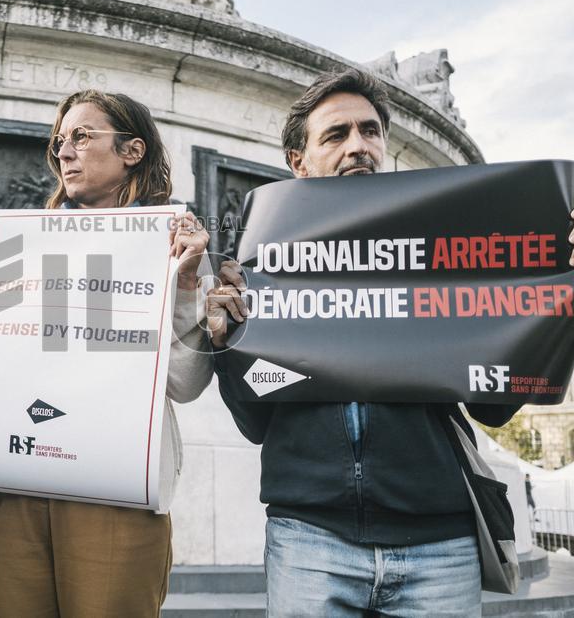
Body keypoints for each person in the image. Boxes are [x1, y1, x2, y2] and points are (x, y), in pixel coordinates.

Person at [208, 68, 521, 617]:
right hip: (310, 542)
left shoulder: (442, 261)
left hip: (439, 547)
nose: (359, 146)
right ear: (298, 161)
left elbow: (494, 406)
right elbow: (257, 422)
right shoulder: (261, 270)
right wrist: (228, 343)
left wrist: (543, 306)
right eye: (336, 135)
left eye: (370, 131)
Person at [0, 89, 213, 617]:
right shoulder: (14, 242)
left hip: (113, 486)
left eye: (82, 136)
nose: (63, 152)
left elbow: (184, 384)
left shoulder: (177, 247)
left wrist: (185, 286)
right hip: (13, 481)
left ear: (132, 151)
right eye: (59, 142)